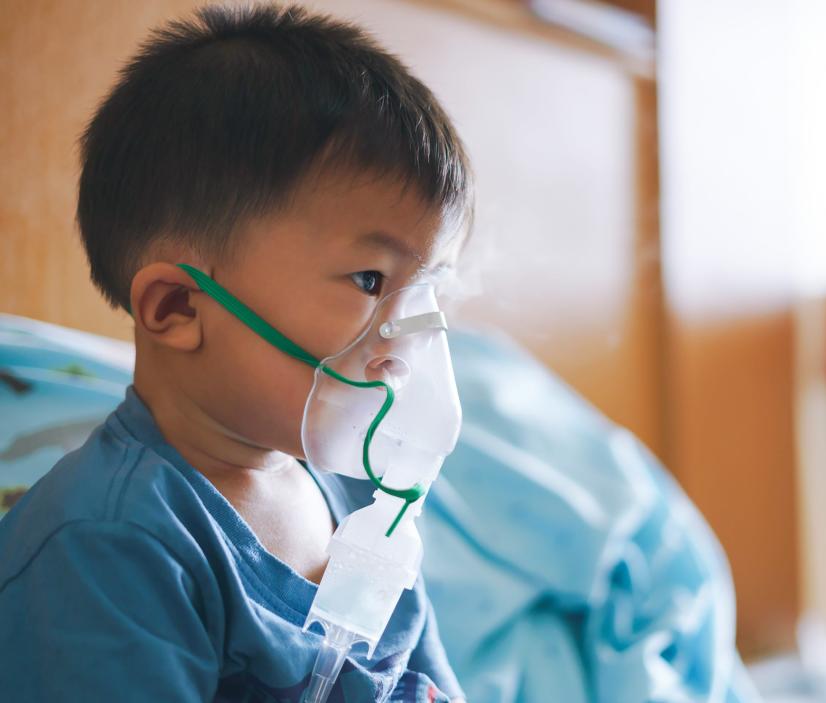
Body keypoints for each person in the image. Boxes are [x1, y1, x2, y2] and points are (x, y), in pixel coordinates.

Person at [0, 4, 472, 701]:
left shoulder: (364, 502)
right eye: (372, 280)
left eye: (424, 291)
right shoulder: (109, 543)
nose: (408, 339)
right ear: (179, 308)